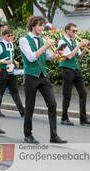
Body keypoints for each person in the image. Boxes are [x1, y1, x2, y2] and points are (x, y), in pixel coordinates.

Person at [19, 16, 67, 144]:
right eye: (40, 25)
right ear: (33, 26)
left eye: (43, 25)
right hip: (30, 76)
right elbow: (30, 57)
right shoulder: (24, 39)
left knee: (53, 104)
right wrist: (45, 46)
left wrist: (57, 54)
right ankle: (28, 135)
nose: (42, 28)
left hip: (43, 76)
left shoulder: (41, 39)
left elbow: (48, 57)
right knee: (30, 106)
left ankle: (54, 136)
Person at [58, 23, 90, 126]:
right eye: (73, 31)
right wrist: (79, 45)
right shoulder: (62, 42)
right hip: (67, 69)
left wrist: (85, 50)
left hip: (76, 69)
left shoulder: (75, 41)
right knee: (67, 94)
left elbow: (78, 57)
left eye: (76, 31)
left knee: (83, 93)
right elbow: (69, 56)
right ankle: (64, 118)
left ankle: (83, 119)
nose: (75, 33)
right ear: (67, 30)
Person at [0, 30, 25, 117]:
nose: (11, 37)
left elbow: (11, 56)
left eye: (11, 35)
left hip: (11, 71)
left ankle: (22, 112)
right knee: (0, 92)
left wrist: (14, 61)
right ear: (3, 36)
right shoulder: (0, 46)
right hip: (2, 72)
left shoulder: (11, 44)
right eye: (8, 35)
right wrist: (4, 62)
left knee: (15, 91)